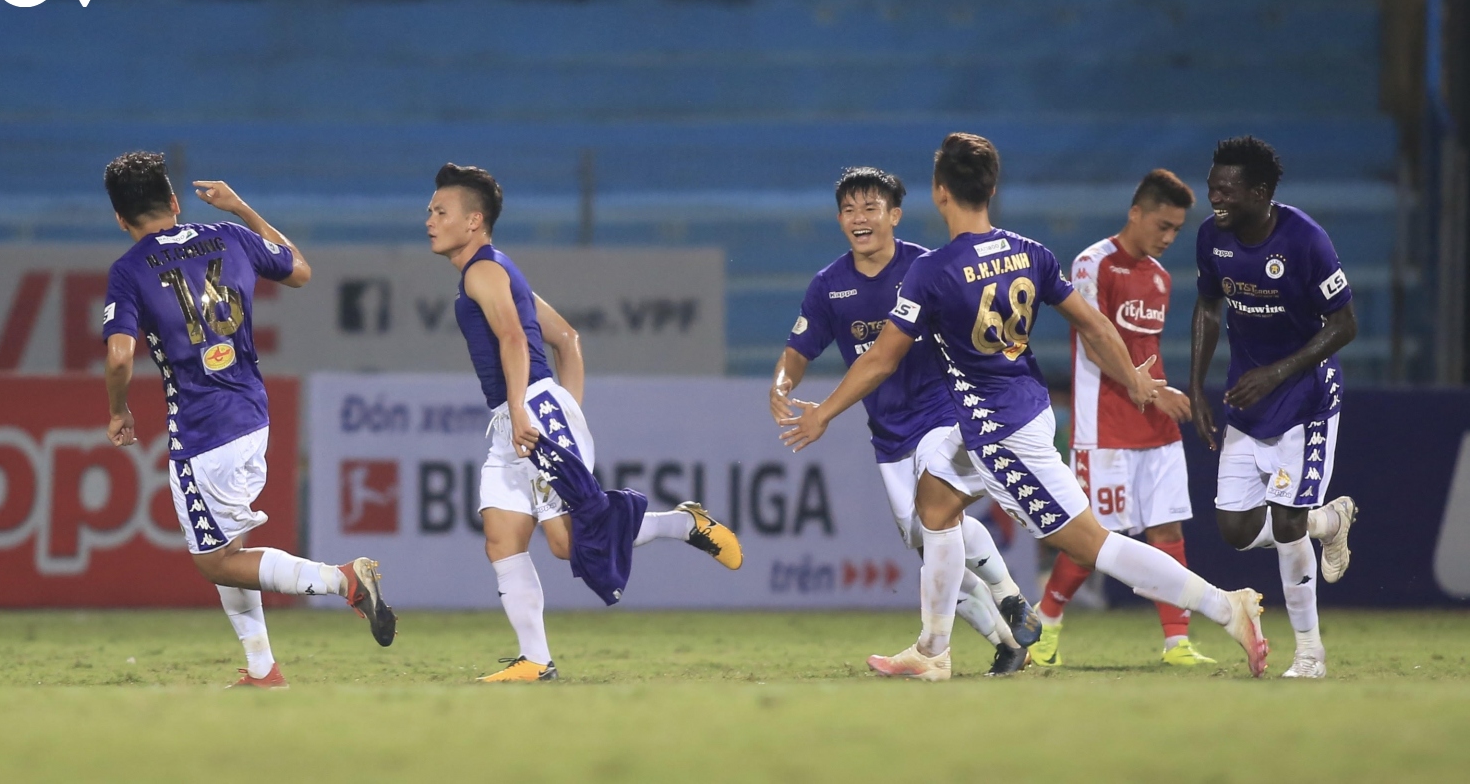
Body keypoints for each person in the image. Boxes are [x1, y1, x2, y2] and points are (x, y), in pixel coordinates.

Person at [782, 133, 1270, 681]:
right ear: (990, 188)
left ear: (941, 192)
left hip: (999, 432)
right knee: (936, 504)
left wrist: (823, 411)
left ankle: (1225, 607)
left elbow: (881, 360)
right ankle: (933, 650)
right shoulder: (1029, 251)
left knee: (1092, 545)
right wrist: (1132, 376)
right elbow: (1091, 322)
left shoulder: (932, 271)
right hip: (1019, 407)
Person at [427, 163, 742, 683]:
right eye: (430, 211)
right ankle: (535, 659)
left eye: (441, 211)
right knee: (502, 537)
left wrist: (535, 410)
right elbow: (568, 338)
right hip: (525, 412)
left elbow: (512, 339)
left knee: (568, 543)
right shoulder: (497, 270)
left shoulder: (483, 272)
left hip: (525, 412)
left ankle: (683, 524)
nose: (430, 221)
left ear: (474, 221)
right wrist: (564, 411)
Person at [100, 151, 394, 690]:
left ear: (120, 219)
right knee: (227, 548)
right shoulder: (229, 236)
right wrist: (241, 209)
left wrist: (118, 409)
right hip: (252, 411)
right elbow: (299, 269)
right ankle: (263, 668)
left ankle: (342, 579)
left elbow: (119, 357)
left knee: (214, 562)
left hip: (200, 429)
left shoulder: (129, 271)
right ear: (173, 200)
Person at [770, 166, 1039, 676]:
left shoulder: (926, 268)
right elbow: (798, 350)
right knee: (932, 542)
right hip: (889, 432)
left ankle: (958, 631)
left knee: (939, 521)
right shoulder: (829, 286)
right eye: (849, 210)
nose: (859, 218)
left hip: (945, 413)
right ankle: (1009, 639)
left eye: (870, 208)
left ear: (894, 214)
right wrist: (781, 384)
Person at [1189, 136, 1359, 679]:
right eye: (1212, 186)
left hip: (1305, 399)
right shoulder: (1211, 239)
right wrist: (1196, 387)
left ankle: (1309, 652)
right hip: (1249, 398)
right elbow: (1209, 308)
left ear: (1260, 193)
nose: (1214, 197)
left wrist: (1278, 373)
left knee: (1285, 523)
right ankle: (1329, 520)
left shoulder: (1305, 240)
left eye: (1226, 189)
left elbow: (1345, 325)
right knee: (1235, 530)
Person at [1031, 170, 1215, 668]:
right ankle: (1044, 625)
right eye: (1163, 225)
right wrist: (1149, 392)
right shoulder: (1093, 264)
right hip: (1104, 426)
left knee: (1168, 533)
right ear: (1136, 212)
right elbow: (1095, 342)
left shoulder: (1159, 278)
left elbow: (1144, 351)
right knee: (1092, 543)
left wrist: (1162, 394)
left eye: (1177, 229)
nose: (1168, 238)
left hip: (1154, 426)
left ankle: (1177, 642)